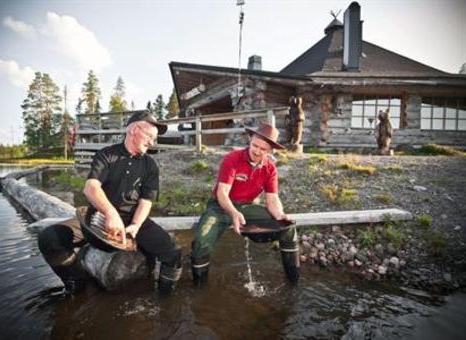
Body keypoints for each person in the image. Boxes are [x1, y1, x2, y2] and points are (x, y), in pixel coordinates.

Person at [38, 112, 182, 295]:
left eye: (155, 139)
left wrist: (136, 226)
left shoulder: (150, 165)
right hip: (97, 218)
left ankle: (165, 298)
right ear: (134, 130)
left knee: (173, 255)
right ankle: (76, 285)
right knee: (49, 239)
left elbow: (146, 201)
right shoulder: (106, 154)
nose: (152, 142)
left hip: (133, 220)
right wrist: (110, 213)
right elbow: (91, 187)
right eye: (149, 136)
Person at [190, 123, 300, 286]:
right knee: (201, 241)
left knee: (288, 229)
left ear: (270, 150)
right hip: (220, 207)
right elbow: (222, 193)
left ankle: (293, 280)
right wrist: (233, 213)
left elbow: (272, 199)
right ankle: (200, 286)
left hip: (247, 208)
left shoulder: (270, 168)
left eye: (263, 149)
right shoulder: (232, 159)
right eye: (255, 145)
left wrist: (280, 215)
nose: (257, 151)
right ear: (250, 139)